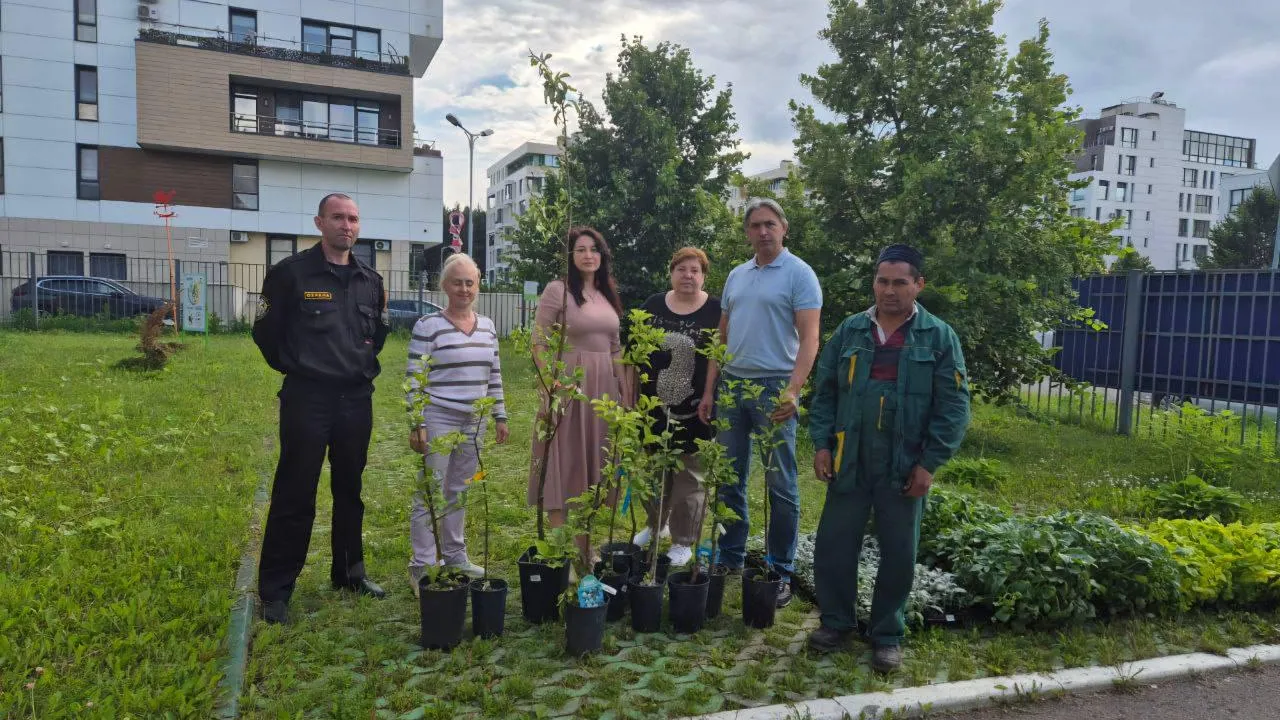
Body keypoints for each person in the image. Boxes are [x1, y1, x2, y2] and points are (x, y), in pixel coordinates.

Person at [806, 244, 971, 672]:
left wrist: (929, 464)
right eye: (882, 281)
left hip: (904, 463)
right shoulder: (850, 331)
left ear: (919, 285)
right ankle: (836, 623)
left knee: (899, 551)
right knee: (834, 545)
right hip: (850, 458)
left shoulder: (938, 337)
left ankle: (886, 634)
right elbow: (824, 393)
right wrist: (822, 445)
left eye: (900, 282)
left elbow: (953, 407)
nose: (890, 290)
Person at [252, 193, 390, 625]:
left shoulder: (371, 279)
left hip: (355, 399)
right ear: (319, 222)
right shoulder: (290, 275)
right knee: (296, 491)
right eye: (337, 217)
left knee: (350, 489)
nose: (346, 225)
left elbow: (378, 334)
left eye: (352, 218)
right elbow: (266, 335)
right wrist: (301, 368)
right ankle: (276, 591)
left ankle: (349, 572)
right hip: (307, 399)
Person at [699, 198, 821, 608]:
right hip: (733, 386)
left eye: (770, 224)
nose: (763, 231)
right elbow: (723, 335)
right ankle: (731, 556)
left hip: (774, 389)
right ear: (748, 232)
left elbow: (810, 339)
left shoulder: (800, 275)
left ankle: (780, 569)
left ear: (784, 228)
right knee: (729, 478)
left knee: (780, 484)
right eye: (755, 225)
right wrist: (711, 388)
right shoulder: (737, 275)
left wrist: (793, 390)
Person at [405, 253, 509, 596]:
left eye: (470, 282)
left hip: (474, 422)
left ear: (478, 285)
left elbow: (494, 374)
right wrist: (417, 422)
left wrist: (499, 414)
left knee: (460, 488)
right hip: (438, 417)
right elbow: (415, 378)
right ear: (444, 286)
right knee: (431, 491)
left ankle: (454, 555)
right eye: (457, 282)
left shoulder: (489, 326)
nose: (464, 288)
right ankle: (422, 566)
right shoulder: (428, 326)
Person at [528, 227, 630, 543]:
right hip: (569, 386)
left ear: (603, 255)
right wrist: (549, 385)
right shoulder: (557, 290)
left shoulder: (607, 294)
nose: (588, 255)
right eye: (581, 249)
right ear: (571, 257)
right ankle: (563, 549)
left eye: (594, 249)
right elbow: (539, 342)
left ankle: (584, 546)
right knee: (564, 459)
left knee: (595, 462)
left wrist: (624, 391)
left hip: (604, 391)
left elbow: (614, 347)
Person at [632, 247, 722, 567]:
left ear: (703, 276)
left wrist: (711, 395)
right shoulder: (654, 305)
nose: (688, 275)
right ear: (671, 272)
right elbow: (634, 350)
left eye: (695, 270)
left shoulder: (716, 310)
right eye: (682, 269)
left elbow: (717, 357)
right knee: (656, 469)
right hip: (654, 406)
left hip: (695, 407)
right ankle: (655, 524)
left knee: (690, 472)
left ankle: (684, 540)